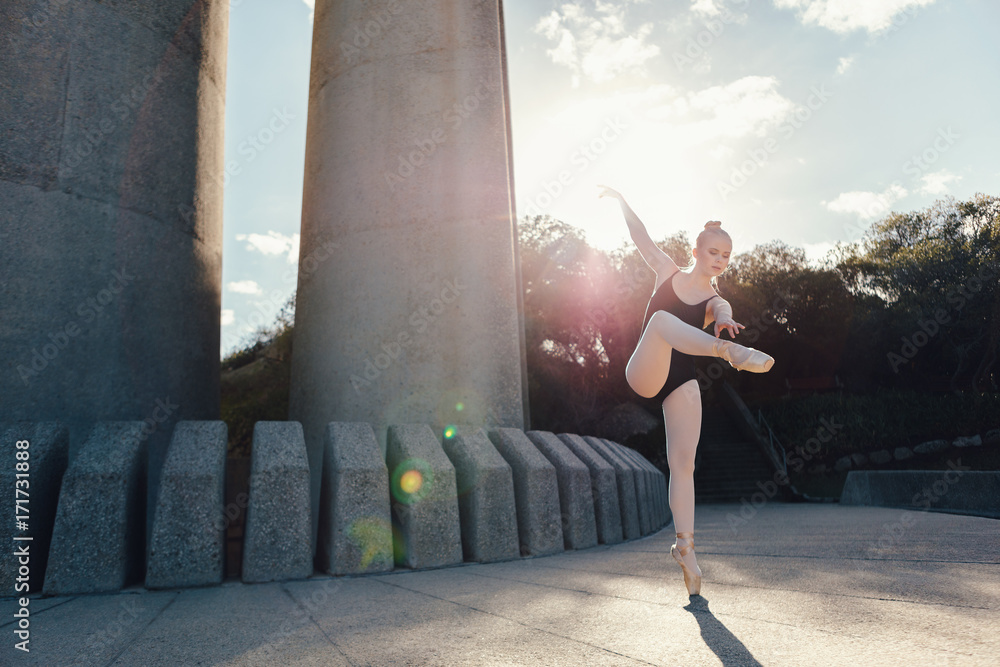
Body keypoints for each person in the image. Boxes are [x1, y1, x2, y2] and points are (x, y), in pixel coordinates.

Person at [599, 185, 774, 596]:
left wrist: (724, 322)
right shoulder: (667, 272)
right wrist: (623, 201)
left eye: (727, 256)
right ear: (697, 251)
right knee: (661, 320)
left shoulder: (714, 299)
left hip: (681, 378)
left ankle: (686, 550)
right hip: (645, 371)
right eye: (714, 253)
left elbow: (723, 309)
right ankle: (728, 353)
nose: (721, 261)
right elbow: (640, 237)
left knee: (684, 464)